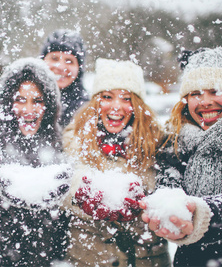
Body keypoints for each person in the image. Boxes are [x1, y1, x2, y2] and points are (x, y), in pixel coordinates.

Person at [141, 40, 222, 266]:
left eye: (215, 91)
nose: (206, 102)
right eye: (196, 93)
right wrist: (168, 204)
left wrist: (204, 214)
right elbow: (169, 176)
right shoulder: (178, 140)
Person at [62, 58, 170, 266]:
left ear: (137, 104)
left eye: (126, 98)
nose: (116, 107)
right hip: (89, 256)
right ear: (96, 101)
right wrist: (82, 196)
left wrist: (146, 204)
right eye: (107, 97)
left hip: (147, 257)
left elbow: (171, 189)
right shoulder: (75, 135)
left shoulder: (158, 141)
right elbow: (65, 183)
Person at [0, 58, 70, 266]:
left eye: (37, 101)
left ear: (49, 105)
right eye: (20, 100)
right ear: (7, 103)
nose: (29, 109)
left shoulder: (59, 145)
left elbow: (61, 225)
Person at [41, 29, 89, 128]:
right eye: (54, 58)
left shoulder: (88, 110)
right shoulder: (23, 100)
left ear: (79, 69)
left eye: (69, 61)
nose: (61, 67)